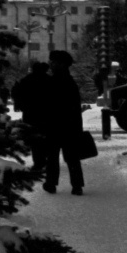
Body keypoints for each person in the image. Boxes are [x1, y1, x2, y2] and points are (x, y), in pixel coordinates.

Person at [43, 50, 84, 196]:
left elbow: (46, 106)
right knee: (72, 158)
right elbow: (75, 108)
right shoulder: (70, 82)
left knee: (52, 157)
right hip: (70, 126)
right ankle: (77, 185)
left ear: (61, 64)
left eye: (53, 62)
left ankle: (51, 183)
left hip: (54, 126)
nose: (51, 64)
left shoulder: (52, 82)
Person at [10, 61, 52, 171]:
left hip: (30, 114)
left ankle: (38, 162)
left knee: (34, 140)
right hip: (46, 114)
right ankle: (46, 159)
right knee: (45, 138)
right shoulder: (48, 80)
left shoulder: (26, 80)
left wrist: (22, 105)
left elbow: (17, 92)